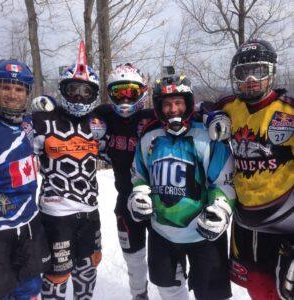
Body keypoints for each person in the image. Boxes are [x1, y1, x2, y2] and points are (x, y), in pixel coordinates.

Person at [128, 72, 236, 300]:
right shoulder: (149, 136)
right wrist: (138, 194)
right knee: (168, 289)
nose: (173, 109)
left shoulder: (207, 135)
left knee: (212, 295)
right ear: (158, 107)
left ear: (188, 104)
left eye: (178, 102)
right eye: (167, 104)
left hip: (203, 232)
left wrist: (221, 208)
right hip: (162, 232)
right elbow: (140, 174)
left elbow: (223, 180)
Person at [204, 39, 294, 300]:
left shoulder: (288, 111)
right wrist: (212, 116)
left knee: (285, 289)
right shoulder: (230, 107)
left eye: (259, 71)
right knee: (256, 285)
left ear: (272, 72)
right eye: (244, 73)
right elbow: (202, 108)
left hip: (285, 220)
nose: (251, 79)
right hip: (246, 219)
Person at [32, 41, 102, 299]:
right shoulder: (43, 121)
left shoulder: (97, 123)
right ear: (63, 91)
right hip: (56, 213)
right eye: (73, 90)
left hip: (90, 212)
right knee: (57, 275)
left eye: (86, 92)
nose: (79, 97)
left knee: (88, 268)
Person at [93, 63, 155, 300]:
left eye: (131, 91)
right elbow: (78, 112)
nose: (125, 97)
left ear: (142, 91)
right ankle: (139, 295)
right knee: (134, 259)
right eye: (119, 92)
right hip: (125, 200)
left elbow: (186, 111)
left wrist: (211, 110)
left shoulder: (152, 117)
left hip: (158, 200)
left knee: (168, 262)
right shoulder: (105, 116)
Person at [0, 59, 51, 300]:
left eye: (19, 89)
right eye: (5, 87)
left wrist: (50, 103)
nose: (12, 94)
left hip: (29, 227)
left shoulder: (27, 124)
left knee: (30, 293)